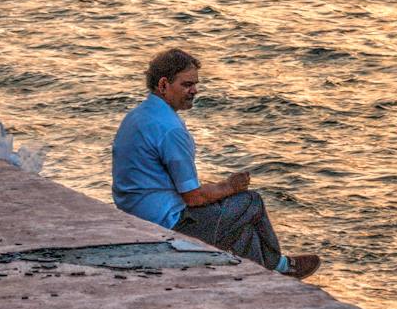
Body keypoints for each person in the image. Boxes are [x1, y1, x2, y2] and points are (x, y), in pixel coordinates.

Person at [110, 48, 320, 280]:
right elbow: (193, 197)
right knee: (251, 202)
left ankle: (261, 272)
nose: (194, 91)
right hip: (166, 225)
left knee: (239, 224)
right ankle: (278, 265)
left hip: (134, 212)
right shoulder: (171, 129)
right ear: (163, 85)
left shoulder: (137, 116)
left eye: (195, 84)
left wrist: (222, 190)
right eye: (187, 84)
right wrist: (230, 186)